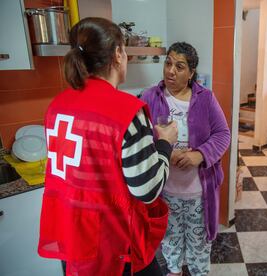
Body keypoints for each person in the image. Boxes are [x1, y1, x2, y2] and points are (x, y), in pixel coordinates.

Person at [37, 17, 178, 276]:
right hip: (114, 245)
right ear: (117, 54)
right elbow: (148, 189)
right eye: (124, 50)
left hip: (73, 239)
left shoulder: (56, 106)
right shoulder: (126, 112)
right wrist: (165, 144)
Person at [141, 42, 231, 276]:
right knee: (170, 242)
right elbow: (140, 139)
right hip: (166, 191)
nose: (171, 70)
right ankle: (174, 272)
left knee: (199, 244)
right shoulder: (151, 97)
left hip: (199, 192)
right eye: (168, 63)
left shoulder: (206, 98)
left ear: (191, 73)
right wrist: (164, 151)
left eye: (179, 67)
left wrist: (199, 155)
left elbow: (223, 134)